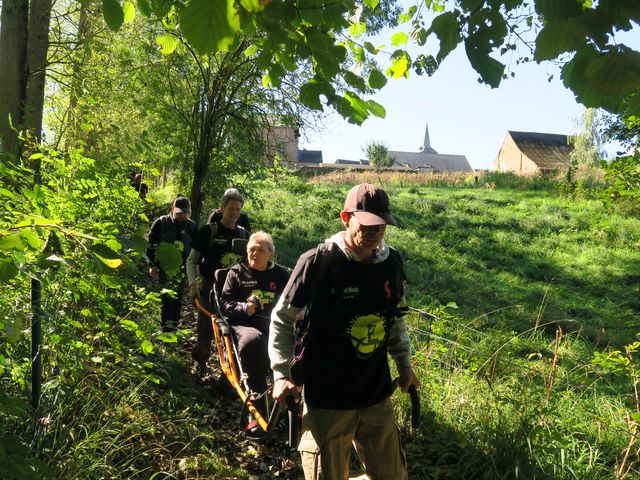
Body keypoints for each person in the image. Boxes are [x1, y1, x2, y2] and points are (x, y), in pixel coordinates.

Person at [269, 183, 420, 480]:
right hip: (328, 399)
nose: (375, 232)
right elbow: (281, 318)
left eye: (381, 225)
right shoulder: (317, 262)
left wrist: (405, 366)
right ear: (345, 218)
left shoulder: (391, 264)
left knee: (392, 475)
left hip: (375, 395)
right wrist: (281, 374)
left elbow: (396, 320)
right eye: (367, 224)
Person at [219, 232, 290, 433]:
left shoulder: (281, 275)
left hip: (276, 324)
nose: (254, 254)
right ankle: (257, 406)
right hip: (245, 324)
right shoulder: (236, 273)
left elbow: (294, 302)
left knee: (300, 346)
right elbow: (224, 304)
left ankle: (294, 406)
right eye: (251, 250)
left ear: (270, 254)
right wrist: (244, 308)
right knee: (254, 342)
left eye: (260, 250)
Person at [186, 188, 250, 371]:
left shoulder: (244, 236)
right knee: (205, 332)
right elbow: (191, 260)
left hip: (235, 295)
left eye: (238, 209)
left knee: (231, 335)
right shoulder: (208, 232)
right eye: (231, 209)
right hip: (209, 289)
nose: (235, 213)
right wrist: (193, 286)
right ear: (222, 208)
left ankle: (229, 375)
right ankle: (201, 366)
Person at [146, 196, 196, 331]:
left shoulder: (191, 226)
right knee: (167, 297)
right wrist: (152, 265)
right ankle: (166, 331)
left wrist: (196, 266)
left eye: (185, 213)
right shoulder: (161, 223)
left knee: (178, 297)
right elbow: (149, 245)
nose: (182, 216)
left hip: (182, 269)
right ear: (172, 209)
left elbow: (197, 248)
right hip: (164, 267)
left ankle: (173, 328)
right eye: (179, 213)